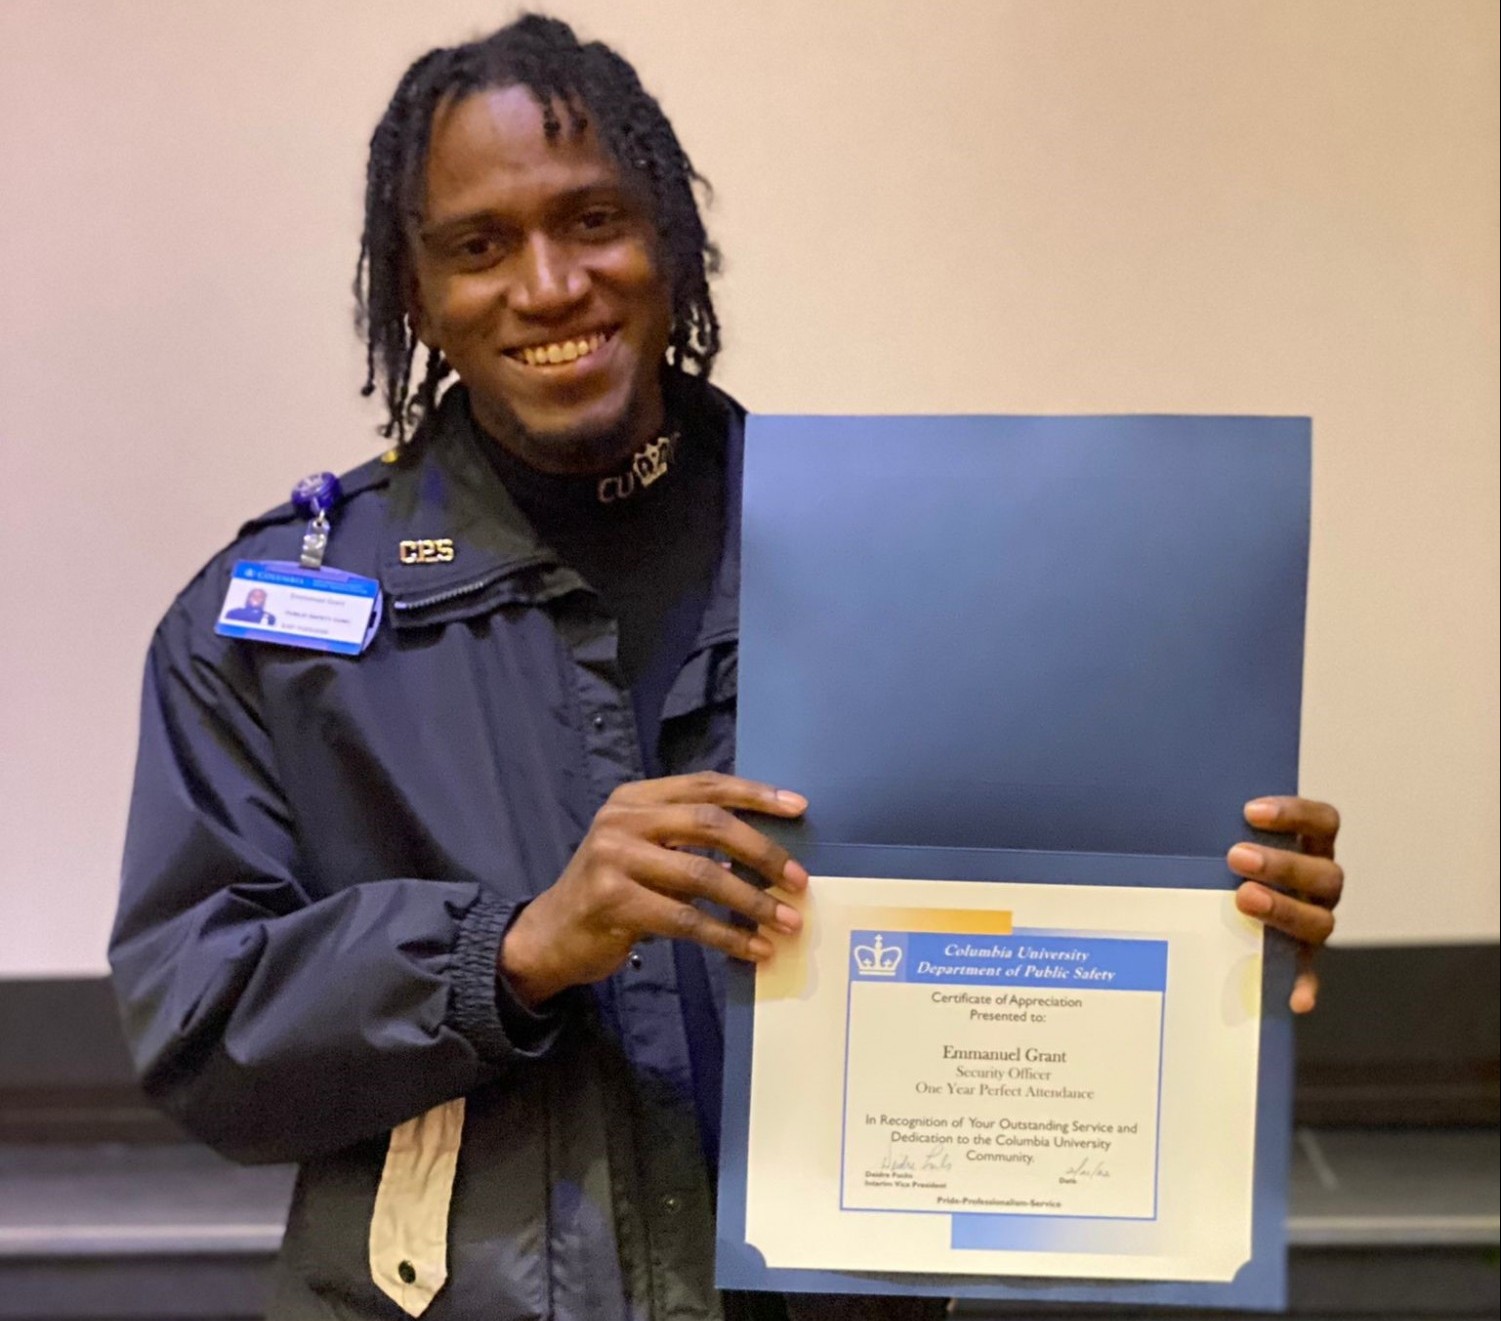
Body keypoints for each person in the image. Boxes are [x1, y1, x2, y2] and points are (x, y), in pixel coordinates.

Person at [109, 15, 1344, 1321]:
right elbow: (201, 1029)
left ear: (671, 239)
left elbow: (1053, 912)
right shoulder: (269, 629)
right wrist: (518, 948)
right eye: (479, 246)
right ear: (414, 293)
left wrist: (1218, 912)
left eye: (592, 219)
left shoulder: (902, 563)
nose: (546, 285)